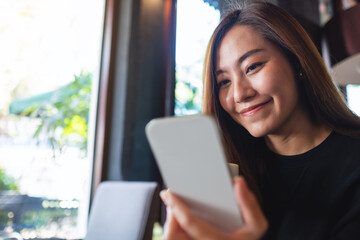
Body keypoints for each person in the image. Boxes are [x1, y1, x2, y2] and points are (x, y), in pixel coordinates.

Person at [160, 1, 360, 239]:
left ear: (297, 61)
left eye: (252, 67)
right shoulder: (231, 177)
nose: (239, 94)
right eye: (224, 82)